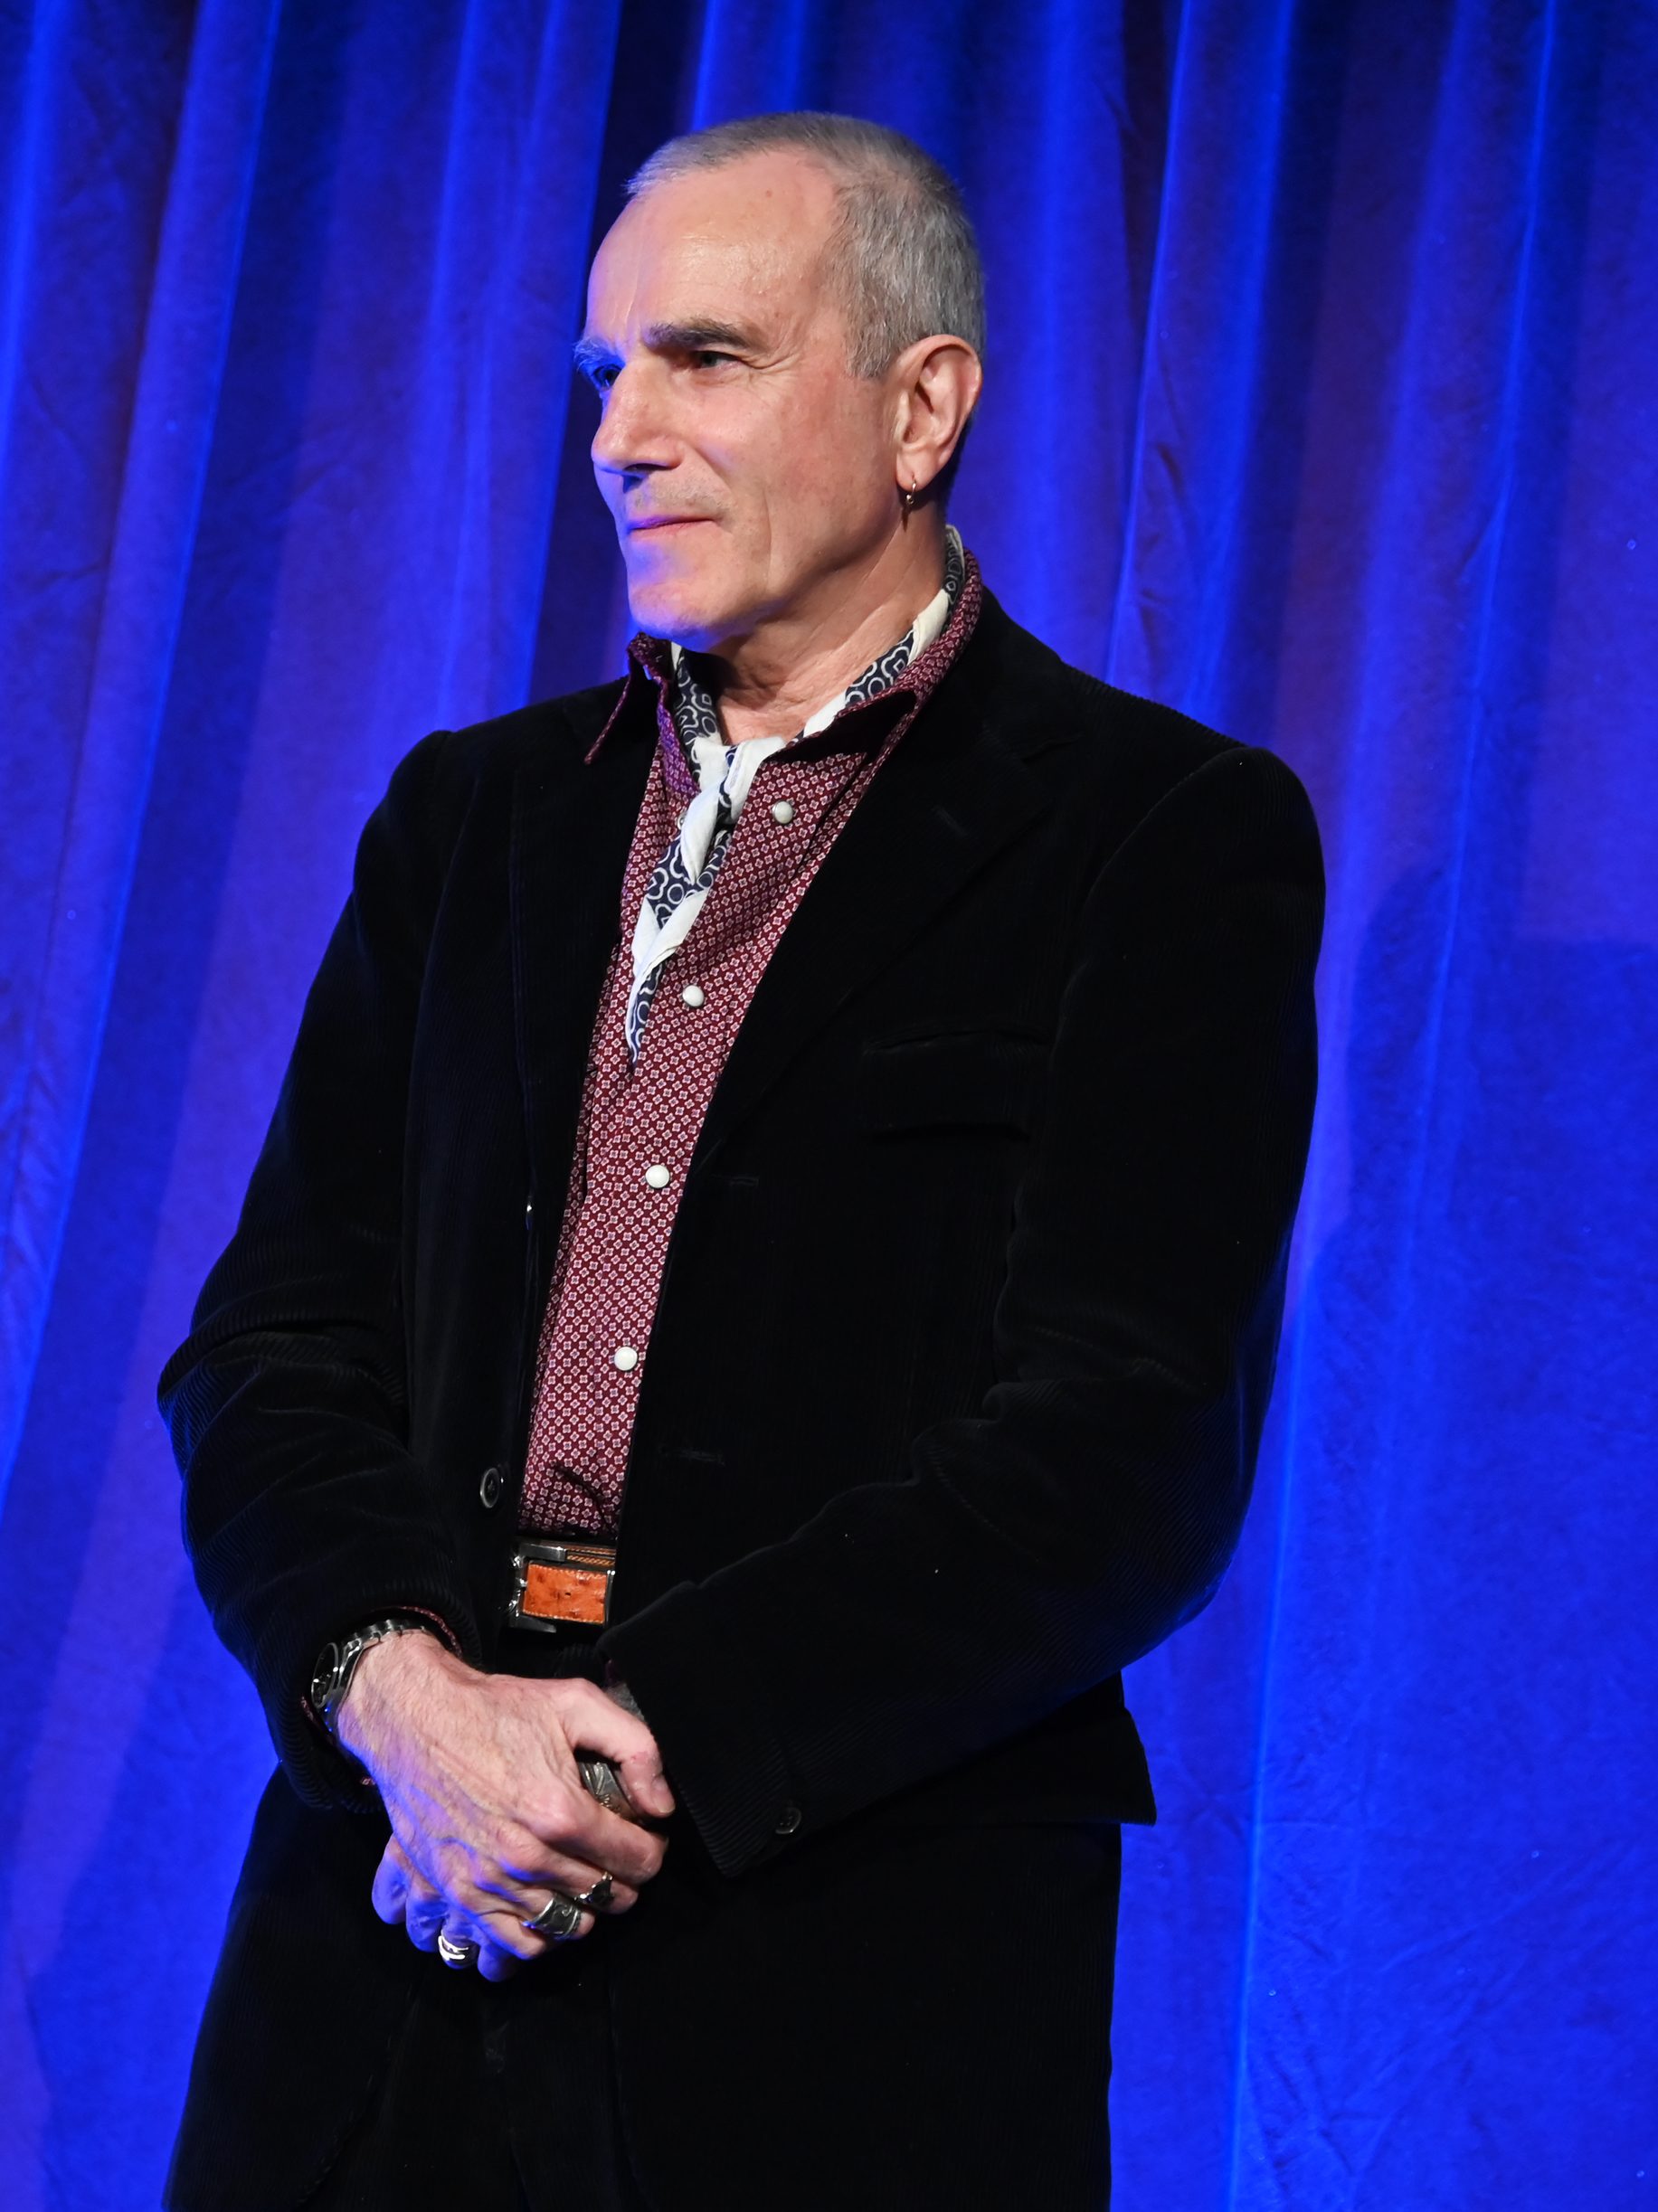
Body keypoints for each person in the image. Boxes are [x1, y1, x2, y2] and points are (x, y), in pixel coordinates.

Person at [159, 110, 1323, 2212]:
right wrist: (402, 1703)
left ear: (921, 407)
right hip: (387, 1936)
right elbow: (270, 1341)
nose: (622, 437)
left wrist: (608, 1745)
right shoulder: (469, 820)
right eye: (604, 377)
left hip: (840, 1968)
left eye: (703, 359)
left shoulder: (1155, 836)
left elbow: (1116, 1449)